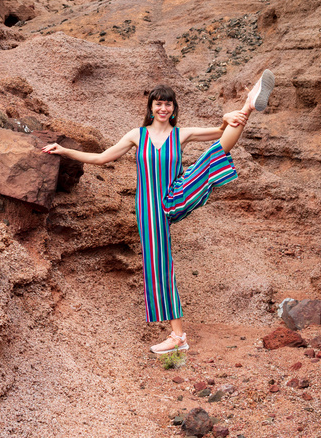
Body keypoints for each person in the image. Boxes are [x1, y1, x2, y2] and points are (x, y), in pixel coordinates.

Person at [41, 70, 276, 354]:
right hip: (149, 210)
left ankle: (249, 105)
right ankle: (178, 336)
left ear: (174, 109)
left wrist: (230, 118)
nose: (163, 108)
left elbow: (221, 135)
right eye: (158, 104)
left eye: (168, 104)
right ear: (151, 107)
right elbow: (102, 158)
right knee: (158, 268)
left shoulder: (182, 134)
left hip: (175, 195)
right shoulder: (136, 136)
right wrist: (64, 151)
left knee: (215, 151)